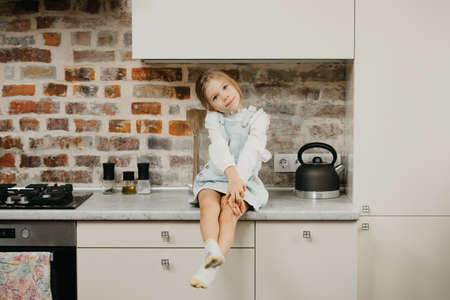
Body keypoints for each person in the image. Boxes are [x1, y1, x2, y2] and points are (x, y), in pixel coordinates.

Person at [189, 70, 271, 288]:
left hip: (244, 181)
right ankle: (211, 248)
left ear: (233, 84)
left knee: (229, 211)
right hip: (216, 177)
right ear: (211, 106)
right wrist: (230, 177)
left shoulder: (258, 118)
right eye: (215, 97)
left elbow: (251, 152)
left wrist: (237, 182)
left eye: (225, 87)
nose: (224, 97)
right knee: (208, 204)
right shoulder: (214, 119)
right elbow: (219, 148)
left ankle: (209, 270)